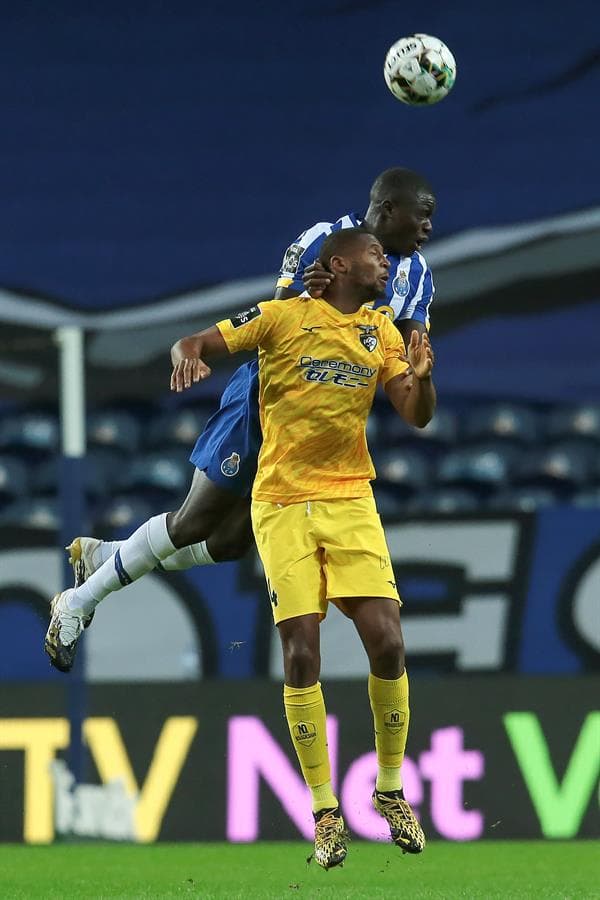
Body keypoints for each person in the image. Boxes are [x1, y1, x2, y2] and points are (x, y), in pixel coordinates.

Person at [48, 226, 435, 867]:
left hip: (346, 497)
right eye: (380, 250)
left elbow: (415, 411)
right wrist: (188, 351)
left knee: (378, 634)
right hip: (270, 458)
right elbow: (217, 330)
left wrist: (420, 380)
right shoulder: (301, 285)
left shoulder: (387, 320)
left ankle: (389, 791)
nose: (393, 255)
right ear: (346, 257)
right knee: (200, 532)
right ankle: (324, 813)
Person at [45, 167, 436, 670]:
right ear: (387, 210)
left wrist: (414, 368)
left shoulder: (419, 275)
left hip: (322, 431)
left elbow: (404, 348)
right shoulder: (320, 238)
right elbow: (274, 319)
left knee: (229, 543)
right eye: (422, 216)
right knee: (195, 521)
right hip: (266, 403)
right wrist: (306, 296)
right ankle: (77, 601)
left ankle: (110, 557)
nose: (428, 228)